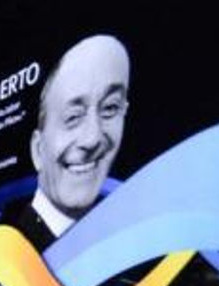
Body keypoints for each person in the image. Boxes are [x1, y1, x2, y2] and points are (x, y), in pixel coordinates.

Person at [14, 34, 131, 250]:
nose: (92, 138)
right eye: (73, 117)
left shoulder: (126, 245)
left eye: (110, 108)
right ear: (38, 150)